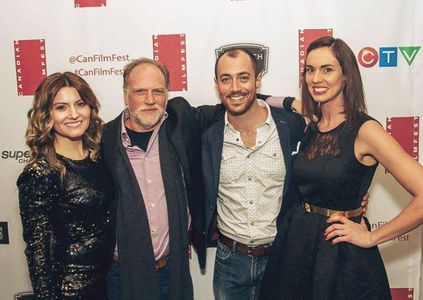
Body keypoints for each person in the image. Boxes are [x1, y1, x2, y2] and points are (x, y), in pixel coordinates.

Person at [259, 36, 423, 300]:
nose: (316, 78)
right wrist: (258, 95)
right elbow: (282, 101)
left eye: (327, 69)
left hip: (338, 254)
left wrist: (372, 237)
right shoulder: (314, 120)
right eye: (310, 70)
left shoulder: (366, 130)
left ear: (346, 76)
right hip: (298, 246)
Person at [101, 58, 217, 300]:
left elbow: (235, 101)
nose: (150, 100)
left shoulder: (180, 123)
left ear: (167, 94)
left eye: (158, 91)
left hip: (172, 273)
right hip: (120, 276)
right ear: (125, 96)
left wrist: (289, 103)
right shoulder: (103, 141)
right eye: (140, 91)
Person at [201, 48, 305, 300]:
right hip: (229, 262)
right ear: (217, 85)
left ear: (258, 80)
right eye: (226, 79)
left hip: (281, 257)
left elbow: (327, 166)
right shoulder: (208, 132)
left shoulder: (291, 125)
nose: (235, 87)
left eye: (244, 77)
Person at [17, 72, 114, 299]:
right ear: (46, 114)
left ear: (90, 108)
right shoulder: (41, 172)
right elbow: (37, 253)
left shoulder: (98, 158)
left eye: (80, 104)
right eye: (61, 107)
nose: (73, 114)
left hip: (107, 284)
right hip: (70, 291)